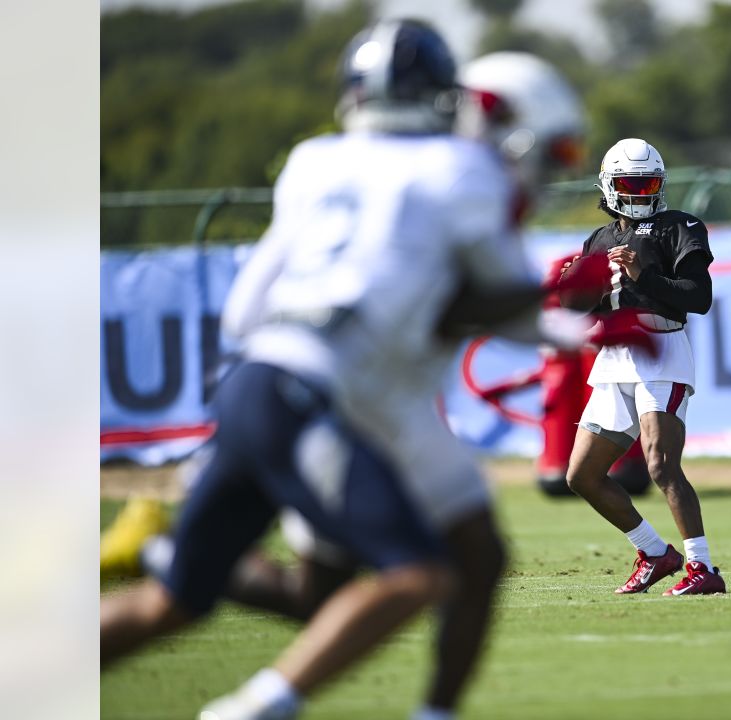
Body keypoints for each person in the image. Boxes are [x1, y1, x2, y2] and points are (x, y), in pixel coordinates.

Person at [100, 22, 646, 720]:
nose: (554, 169)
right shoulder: (461, 173)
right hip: (325, 395)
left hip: (283, 382)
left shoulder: (317, 160)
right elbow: (489, 299)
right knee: (422, 573)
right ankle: (251, 709)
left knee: (182, 602)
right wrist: (569, 311)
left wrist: (556, 320)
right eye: (559, 152)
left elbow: (244, 311)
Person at [561, 138, 726, 596]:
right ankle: (654, 552)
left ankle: (703, 568)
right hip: (614, 359)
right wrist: (572, 292)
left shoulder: (680, 226)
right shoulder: (598, 239)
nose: (639, 193)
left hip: (661, 348)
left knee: (661, 464)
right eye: (630, 184)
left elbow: (699, 297)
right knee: (581, 475)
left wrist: (644, 275)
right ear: (610, 186)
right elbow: (583, 310)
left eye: (647, 183)